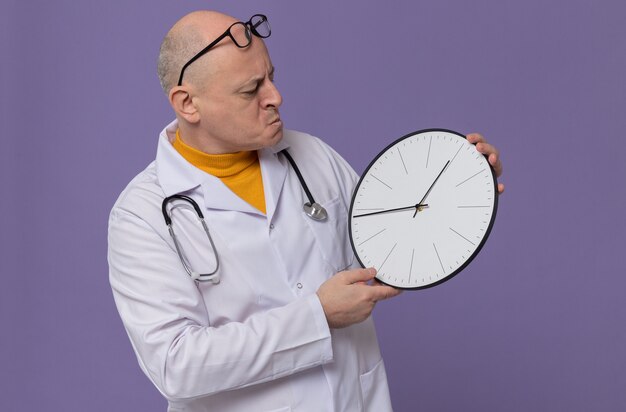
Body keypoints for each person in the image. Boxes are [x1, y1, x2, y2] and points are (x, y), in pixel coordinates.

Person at [108, 10, 504, 412]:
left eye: (272, 76)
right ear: (188, 103)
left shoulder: (311, 155)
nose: (275, 97)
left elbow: (388, 242)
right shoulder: (143, 215)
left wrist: (462, 186)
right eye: (251, 90)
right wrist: (317, 317)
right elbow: (176, 366)